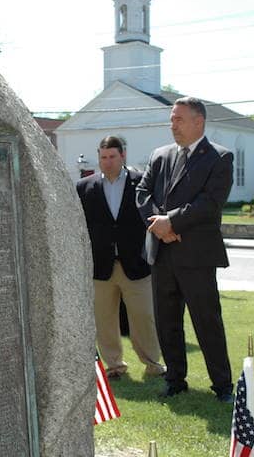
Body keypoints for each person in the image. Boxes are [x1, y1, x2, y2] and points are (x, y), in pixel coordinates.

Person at [136, 97, 234, 402]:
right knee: (167, 321)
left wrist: (172, 223)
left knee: (207, 322)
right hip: (162, 253)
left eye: (178, 119)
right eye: (171, 119)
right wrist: (158, 225)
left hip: (196, 256)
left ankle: (222, 386)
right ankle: (175, 380)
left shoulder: (219, 157)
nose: (172, 125)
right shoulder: (160, 155)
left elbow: (210, 203)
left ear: (198, 122)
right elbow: (142, 192)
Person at [76, 136, 166, 379]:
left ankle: (153, 364)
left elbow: (154, 217)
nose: (107, 162)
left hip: (136, 265)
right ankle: (114, 365)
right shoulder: (84, 187)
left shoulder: (141, 183)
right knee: (104, 321)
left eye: (112, 156)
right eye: (103, 157)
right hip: (101, 268)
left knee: (143, 317)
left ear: (122, 156)